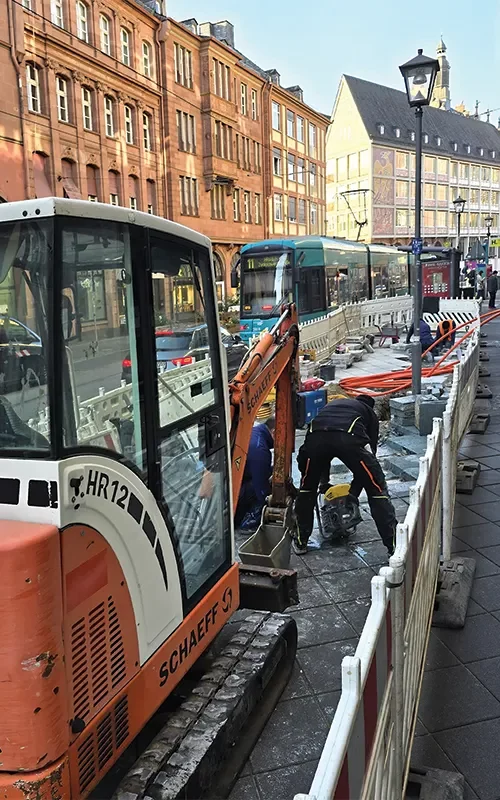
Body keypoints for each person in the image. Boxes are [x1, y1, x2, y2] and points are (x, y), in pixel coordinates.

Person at [294, 395, 397, 556]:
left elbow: (324, 450)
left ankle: (301, 541)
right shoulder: (369, 414)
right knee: (376, 489)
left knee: (307, 489)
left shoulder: (333, 406)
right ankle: (393, 547)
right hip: (348, 437)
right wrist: (354, 492)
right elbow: (369, 458)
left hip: (316, 438)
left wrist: (323, 482)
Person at [235, 417, 275, 531]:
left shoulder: (254, 431)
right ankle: (247, 523)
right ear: (274, 432)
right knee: (264, 488)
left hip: (233, 481)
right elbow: (261, 491)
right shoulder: (260, 450)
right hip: (234, 492)